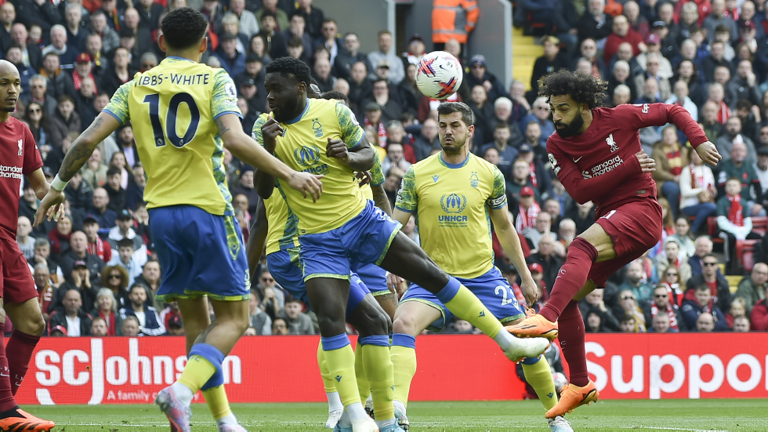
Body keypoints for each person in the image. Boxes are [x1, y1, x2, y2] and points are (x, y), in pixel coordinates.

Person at [33, 8, 323, 432]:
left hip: (162, 217)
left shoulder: (134, 85)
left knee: (197, 323)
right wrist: (290, 173)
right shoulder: (215, 79)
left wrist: (57, 184)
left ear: (160, 41)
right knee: (236, 319)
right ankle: (181, 393)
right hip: (207, 210)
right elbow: (234, 138)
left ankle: (221, 420)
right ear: (206, 42)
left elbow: (87, 139)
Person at [251, 58, 548, 432]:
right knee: (337, 320)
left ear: (299, 86)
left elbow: (368, 161)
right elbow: (262, 192)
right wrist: (267, 147)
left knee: (420, 279)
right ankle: (354, 415)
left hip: (362, 223)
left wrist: (347, 155)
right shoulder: (265, 126)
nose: (269, 96)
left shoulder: (336, 112)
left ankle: (505, 342)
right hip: (316, 240)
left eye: (275, 88)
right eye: (266, 89)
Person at [507, 70, 721, 419]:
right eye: (552, 108)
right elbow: (579, 192)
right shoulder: (555, 145)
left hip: (641, 208)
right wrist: (627, 165)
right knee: (572, 297)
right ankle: (579, 383)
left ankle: (545, 318)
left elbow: (673, 110)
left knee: (579, 248)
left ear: (585, 105)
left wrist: (697, 140)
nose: (556, 116)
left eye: (563, 108)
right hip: (613, 216)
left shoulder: (620, 117)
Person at [391, 102, 570, 432]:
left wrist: (527, 276)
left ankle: (556, 417)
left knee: (527, 342)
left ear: (470, 131)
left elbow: (505, 228)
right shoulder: (417, 173)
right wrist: (390, 263)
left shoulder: (490, 174)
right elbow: (394, 225)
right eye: (442, 125)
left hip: (483, 278)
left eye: (455, 125)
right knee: (401, 324)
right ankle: (398, 412)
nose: (447, 131)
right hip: (433, 278)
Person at [0, 58, 59, 430]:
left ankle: (7, 404)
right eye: (5, 83)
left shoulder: (21, 132)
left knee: (33, 322)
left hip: (7, 237)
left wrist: (56, 195)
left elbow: (40, 186)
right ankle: (5, 411)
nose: (13, 90)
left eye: (17, 83)